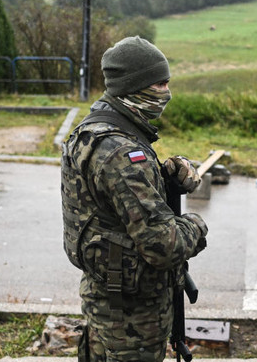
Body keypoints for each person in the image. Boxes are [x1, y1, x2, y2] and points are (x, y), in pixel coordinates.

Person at [61, 36, 208, 362]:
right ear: (134, 85)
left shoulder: (96, 129)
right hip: (131, 316)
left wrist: (163, 175)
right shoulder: (121, 151)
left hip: (109, 299)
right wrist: (196, 226)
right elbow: (163, 244)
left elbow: (111, 203)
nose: (166, 93)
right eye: (159, 83)